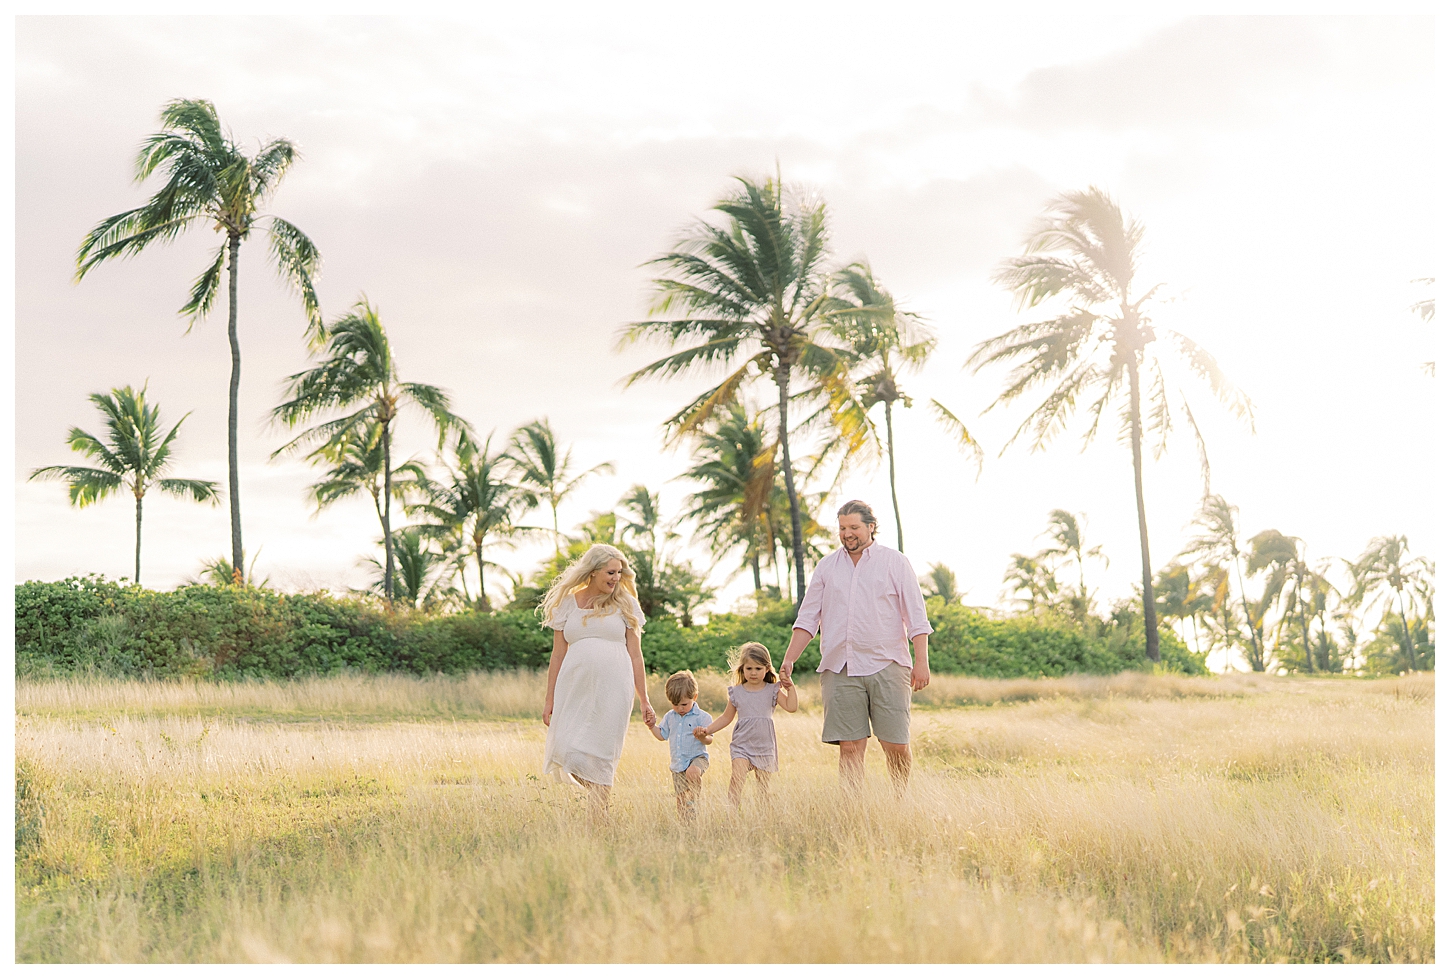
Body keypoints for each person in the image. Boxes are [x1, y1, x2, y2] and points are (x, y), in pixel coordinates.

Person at [780, 500, 931, 793]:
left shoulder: (895, 562)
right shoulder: (826, 567)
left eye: (854, 527)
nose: (847, 533)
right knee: (849, 747)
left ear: (870, 527)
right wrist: (789, 660)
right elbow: (808, 618)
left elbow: (916, 615)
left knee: (895, 744)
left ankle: (901, 799)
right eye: (842, 528)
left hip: (887, 664)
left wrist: (921, 661)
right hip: (839, 668)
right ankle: (853, 809)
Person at [540, 543, 656, 820]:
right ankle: (600, 802)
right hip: (573, 688)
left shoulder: (626, 603)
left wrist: (644, 699)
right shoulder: (568, 602)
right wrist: (549, 698)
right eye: (610, 572)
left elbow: (636, 655)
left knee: (602, 751)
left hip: (615, 687)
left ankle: (598, 816)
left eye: (619, 572)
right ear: (592, 571)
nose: (616, 578)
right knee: (566, 748)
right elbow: (557, 655)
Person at [695, 642, 798, 808]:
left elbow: (791, 707)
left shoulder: (772, 690)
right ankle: (732, 815)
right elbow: (726, 717)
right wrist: (707, 731)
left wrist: (790, 687)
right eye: (749, 668)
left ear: (766, 669)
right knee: (737, 779)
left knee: (763, 788)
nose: (753, 673)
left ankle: (762, 818)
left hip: (764, 746)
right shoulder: (737, 692)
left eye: (758, 669)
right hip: (741, 745)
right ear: (742, 669)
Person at [646, 669, 713, 823]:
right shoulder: (670, 717)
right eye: (675, 705)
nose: (680, 708)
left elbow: (710, 740)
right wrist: (651, 726)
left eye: (684, 704)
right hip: (678, 764)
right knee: (681, 800)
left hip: (697, 757)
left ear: (694, 697)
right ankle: (686, 824)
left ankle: (695, 798)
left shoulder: (702, 717)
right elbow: (662, 735)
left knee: (693, 773)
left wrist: (703, 736)